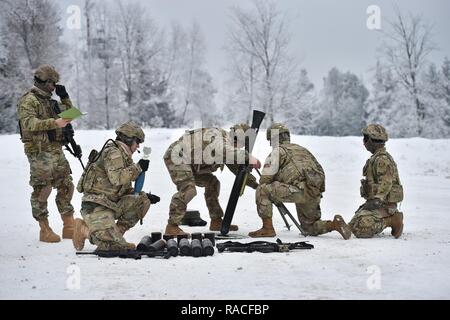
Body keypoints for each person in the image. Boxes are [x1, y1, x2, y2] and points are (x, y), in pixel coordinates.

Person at [250, 123, 351, 239]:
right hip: (313, 191)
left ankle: (267, 228)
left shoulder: (278, 151)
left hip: (298, 190)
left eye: (270, 140)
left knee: (262, 190)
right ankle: (334, 224)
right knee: (310, 227)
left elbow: (265, 179)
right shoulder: (303, 150)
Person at [72, 121, 160, 251]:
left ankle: (116, 236)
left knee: (141, 201)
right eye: (137, 142)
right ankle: (84, 229)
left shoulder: (124, 156)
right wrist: (138, 168)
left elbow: (122, 188)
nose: (138, 146)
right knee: (110, 247)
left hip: (112, 203)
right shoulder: (113, 152)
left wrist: (145, 196)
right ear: (129, 139)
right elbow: (117, 178)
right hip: (97, 205)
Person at [163, 123, 261, 236]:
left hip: (192, 164)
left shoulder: (229, 148)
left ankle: (216, 221)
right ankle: (172, 226)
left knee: (212, 183)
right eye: (242, 143)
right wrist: (248, 157)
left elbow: (238, 170)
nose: (241, 147)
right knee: (188, 189)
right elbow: (225, 150)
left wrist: (258, 185)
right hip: (178, 156)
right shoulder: (219, 137)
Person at [17, 64, 76, 243]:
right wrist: (55, 123)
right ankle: (44, 228)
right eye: (53, 83)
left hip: (56, 149)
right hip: (39, 151)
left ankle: (69, 226)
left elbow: (69, 115)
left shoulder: (51, 101)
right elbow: (29, 123)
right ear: (44, 82)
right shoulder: (29, 100)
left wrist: (64, 97)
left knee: (66, 185)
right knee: (43, 189)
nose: (54, 87)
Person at [349, 124, 404, 238]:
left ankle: (393, 220)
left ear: (371, 141)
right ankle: (389, 218)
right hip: (376, 203)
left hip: (384, 205)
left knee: (361, 229)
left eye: (365, 139)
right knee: (352, 225)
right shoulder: (376, 158)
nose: (363, 142)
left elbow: (386, 183)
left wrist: (377, 200)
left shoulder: (381, 159)